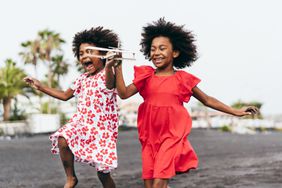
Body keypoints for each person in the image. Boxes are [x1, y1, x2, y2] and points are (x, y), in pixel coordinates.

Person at [107, 18, 259, 188]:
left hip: (172, 134)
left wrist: (235, 111)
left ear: (176, 53)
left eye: (162, 48)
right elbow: (123, 93)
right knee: (149, 183)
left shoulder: (183, 79)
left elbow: (207, 100)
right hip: (149, 135)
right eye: (153, 49)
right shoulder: (146, 76)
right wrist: (117, 67)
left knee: (159, 181)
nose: (156, 52)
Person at [23, 27, 120, 188]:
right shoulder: (81, 79)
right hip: (82, 124)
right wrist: (40, 87)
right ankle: (71, 178)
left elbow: (110, 84)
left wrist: (109, 65)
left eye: (89, 51)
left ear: (103, 54)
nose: (84, 56)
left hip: (102, 130)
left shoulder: (107, 75)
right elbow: (64, 95)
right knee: (63, 137)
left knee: (103, 174)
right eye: (81, 53)